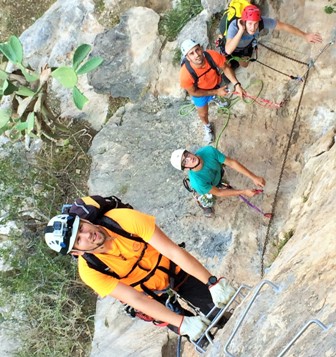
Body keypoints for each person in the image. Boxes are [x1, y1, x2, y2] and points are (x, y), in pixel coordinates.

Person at [44, 208, 236, 341]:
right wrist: (182, 322)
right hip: (153, 299)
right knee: (200, 336)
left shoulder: (122, 220)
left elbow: (172, 251)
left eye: (81, 228)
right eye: (79, 239)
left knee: (218, 314)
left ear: (85, 220)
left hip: (174, 271)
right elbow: (136, 299)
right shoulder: (90, 272)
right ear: (76, 252)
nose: (87, 235)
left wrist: (212, 282)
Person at [179, 39, 245, 144]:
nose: (196, 55)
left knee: (220, 91)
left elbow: (226, 68)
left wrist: (236, 84)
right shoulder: (185, 74)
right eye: (191, 53)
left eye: (197, 50)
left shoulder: (211, 56)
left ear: (201, 48)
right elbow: (194, 92)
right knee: (203, 114)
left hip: (215, 82)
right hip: (200, 93)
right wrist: (216, 92)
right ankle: (207, 126)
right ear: (187, 57)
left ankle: (215, 97)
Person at [170, 146, 266, 217]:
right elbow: (219, 192)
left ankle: (219, 179)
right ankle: (205, 206)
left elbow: (231, 163)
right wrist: (244, 192)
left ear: (189, 152)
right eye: (185, 161)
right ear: (186, 168)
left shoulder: (208, 151)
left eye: (186, 155)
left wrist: (254, 177)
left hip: (217, 175)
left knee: (219, 174)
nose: (189, 158)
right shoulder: (197, 182)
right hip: (207, 185)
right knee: (208, 199)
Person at [224, 4, 323, 68]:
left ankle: (237, 61)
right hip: (233, 46)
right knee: (226, 65)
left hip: (247, 46)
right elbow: (228, 50)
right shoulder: (234, 26)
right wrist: (241, 30)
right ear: (244, 21)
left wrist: (305, 35)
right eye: (250, 24)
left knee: (245, 65)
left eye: (255, 24)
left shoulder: (262, 22)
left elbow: (283, 26)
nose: (253, 28)